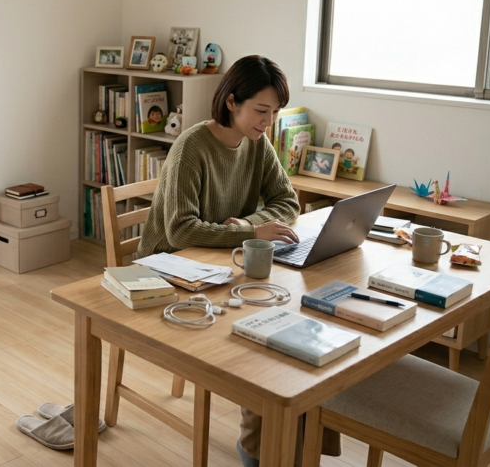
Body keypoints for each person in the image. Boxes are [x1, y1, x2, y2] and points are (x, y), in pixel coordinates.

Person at [135, 54, 341, 467]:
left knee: (299, 333)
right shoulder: (192, 147)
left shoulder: (256, 143)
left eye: (275, 113)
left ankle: (292, 448)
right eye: (261, 111)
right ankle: (257, 452)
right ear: (231, 101)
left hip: (223, 264)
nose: (268, 122)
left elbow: (287, 201)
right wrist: (251, 232)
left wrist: (249, 221)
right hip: (172, 270)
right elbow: (180, 231)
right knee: (265, 348)